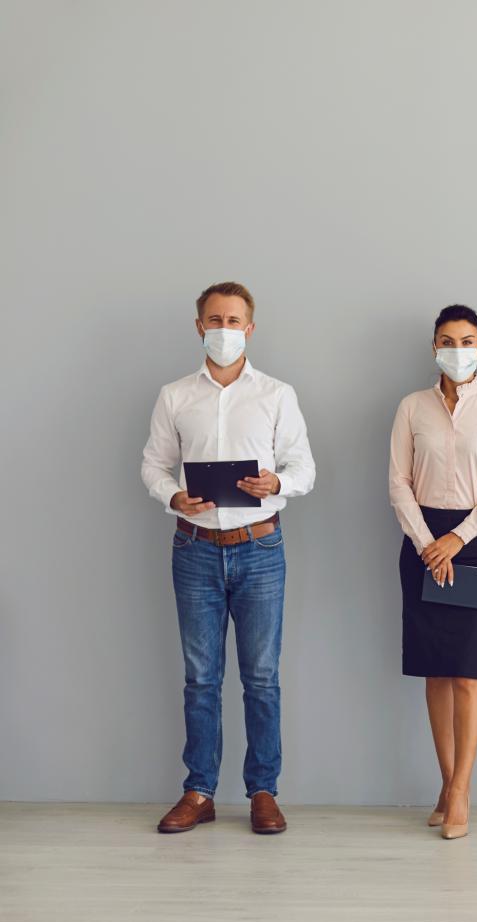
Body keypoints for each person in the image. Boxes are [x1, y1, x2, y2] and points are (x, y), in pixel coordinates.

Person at [141, 281, 315, 835]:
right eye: (214, 320)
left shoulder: (276, 394)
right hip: (194, 548)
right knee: (200, 678)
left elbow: (305, 469)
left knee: (261, 677)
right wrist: (172, 496)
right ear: (199, 327)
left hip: (259, 548)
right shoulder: (175, 396)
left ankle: (263, 791)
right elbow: (153, 464)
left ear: (250, 328)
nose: (224, 330)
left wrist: (275, 483)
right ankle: (199, 791)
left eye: (234, 321)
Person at [389, 304, 477, 840]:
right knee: (436, 670)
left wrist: (457, 539)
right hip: (422, 543)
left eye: (467, 340)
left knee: (467, 671)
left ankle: (463, 788)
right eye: (447, 340)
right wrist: (427, 543)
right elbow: (398, 482)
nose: (457, 350)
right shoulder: (412, 407)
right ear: (434, 347)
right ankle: (445, 782)